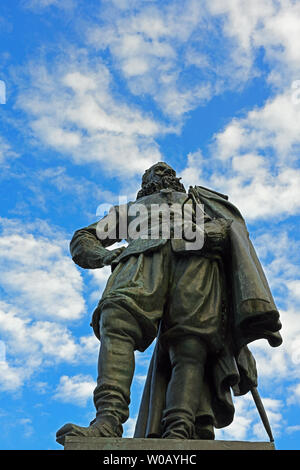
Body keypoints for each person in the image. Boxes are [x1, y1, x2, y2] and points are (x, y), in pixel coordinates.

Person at [56, 162, 282, 444]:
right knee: (116, 319)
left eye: (168, 171)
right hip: (141, 259)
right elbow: (84, 237)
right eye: (156, 171)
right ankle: (107, 420)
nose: (163, 172)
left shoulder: (199, 201)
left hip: (196, 262)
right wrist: (105, 257)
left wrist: (214, 233)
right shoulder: (129, 211)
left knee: (191, 343)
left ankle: (180, 427)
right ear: (145, 182)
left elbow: (230, 231)